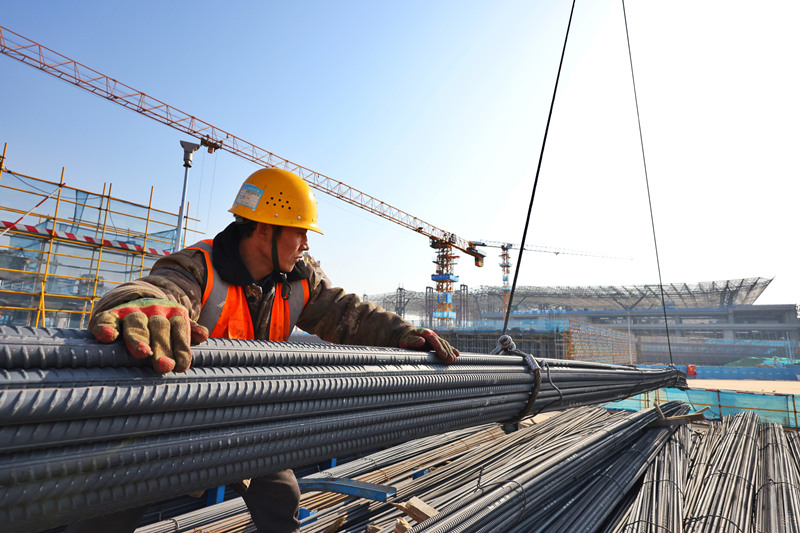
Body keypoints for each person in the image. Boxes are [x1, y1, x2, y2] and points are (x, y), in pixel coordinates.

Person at [68, 167, 459, 533]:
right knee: (107, 509)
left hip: (243, 421)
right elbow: (159, 289)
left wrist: (404, 334)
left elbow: (350, 314)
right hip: (170, 425)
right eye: (299, 232)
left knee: (281, 497)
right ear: (264, 230)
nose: (306, 244)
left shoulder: (298, 283)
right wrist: (141, 304)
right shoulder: (199, 266)